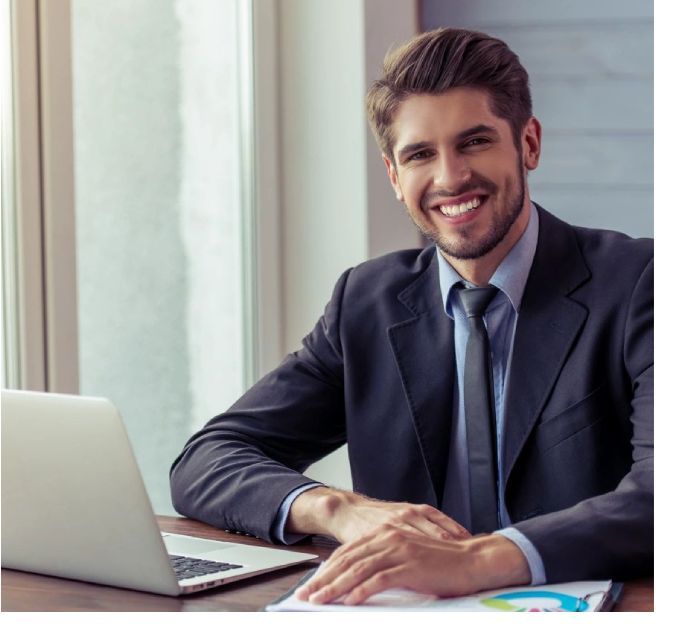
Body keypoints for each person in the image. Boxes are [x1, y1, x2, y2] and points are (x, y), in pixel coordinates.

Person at [170, 27, 653, 605]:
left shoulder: (643, 284)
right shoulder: (365, 303)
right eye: (420, 154)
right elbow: (207, 458)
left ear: (528, 144)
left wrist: (477, 560)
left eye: (474, 142)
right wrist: (338, 508)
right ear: (395, 177)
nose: (450, 178)